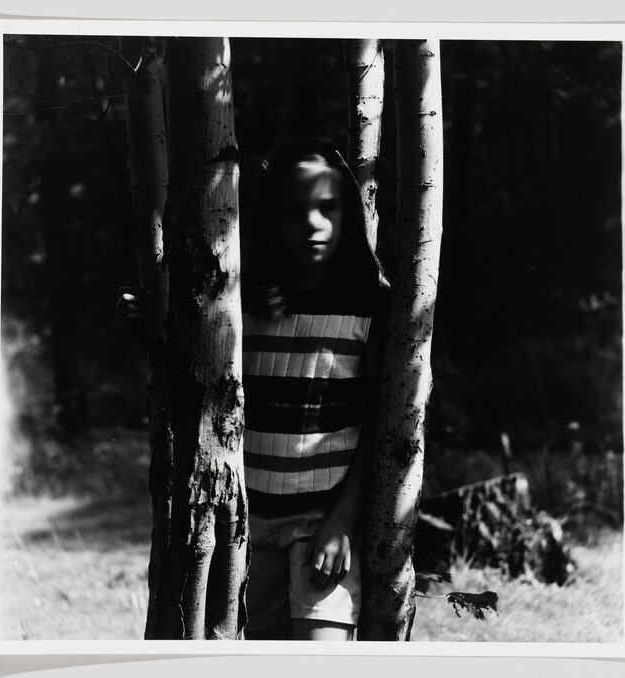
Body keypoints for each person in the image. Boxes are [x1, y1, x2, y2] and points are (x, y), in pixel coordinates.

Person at [119, 137, 388, 641]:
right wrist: (147, 334)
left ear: (349, 211)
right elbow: (199, 387)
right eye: (294, 211)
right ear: (270, 217)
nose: (313, 225)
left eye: (328, 208)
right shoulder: (245, 303)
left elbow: (380, 424)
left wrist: (342, 522)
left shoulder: (369, 306)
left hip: (320, 523)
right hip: (245, 522)